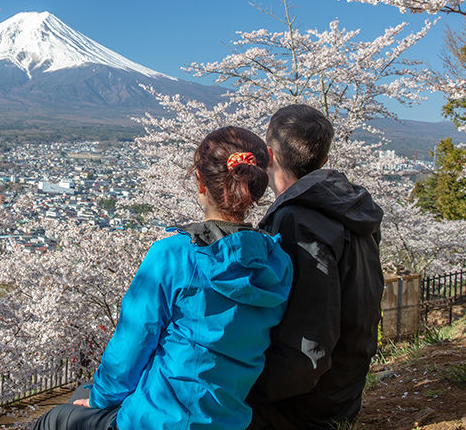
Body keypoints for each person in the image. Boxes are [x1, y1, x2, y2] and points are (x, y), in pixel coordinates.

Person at [33, 127, 293, 430]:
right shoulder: (276, 262)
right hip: (229, 418)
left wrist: (101, 398)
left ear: (200, 181)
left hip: (159, 418)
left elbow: (133, 341)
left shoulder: (175, 255)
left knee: (56, 419)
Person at [246, 104, 385, 430]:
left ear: (269, 155)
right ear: (324, 159)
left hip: (305, 407)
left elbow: (309, 344)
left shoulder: (297, 220)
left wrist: (247, 385)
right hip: (344, 392)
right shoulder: (351, 207)